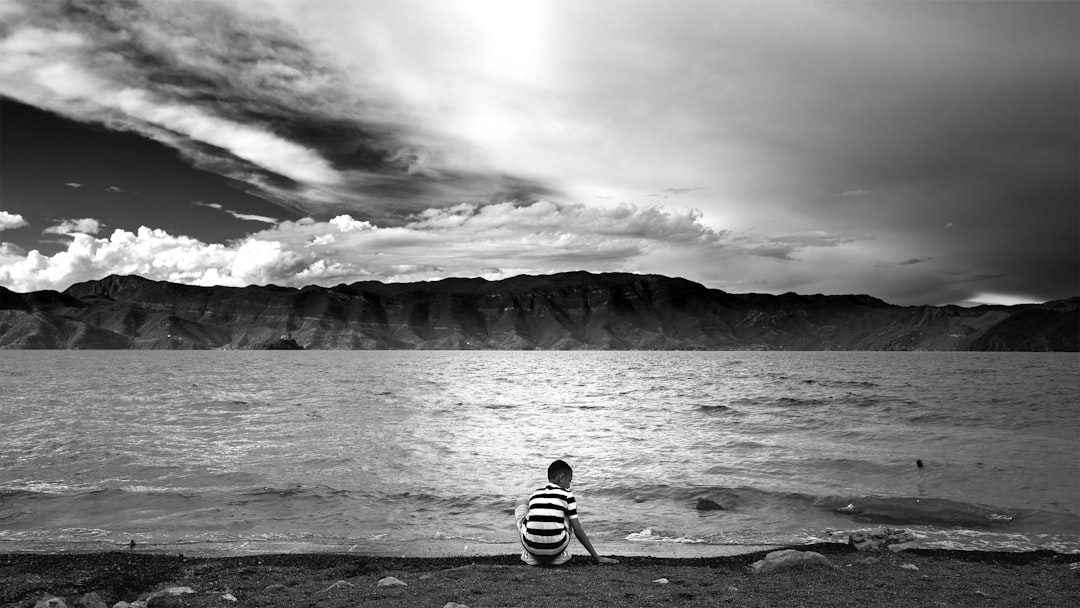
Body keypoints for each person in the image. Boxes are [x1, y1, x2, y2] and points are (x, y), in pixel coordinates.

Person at [515, 459, 618, 566]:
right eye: (569, 481)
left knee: (521, 501)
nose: (569, 486)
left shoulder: (535, 494)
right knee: (569, 516)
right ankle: (559, 556)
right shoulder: (567, 495)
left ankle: (531, 555)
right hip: (556, 549)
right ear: (561, 478)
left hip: (531, 549)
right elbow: (578, 530)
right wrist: (597, 557)